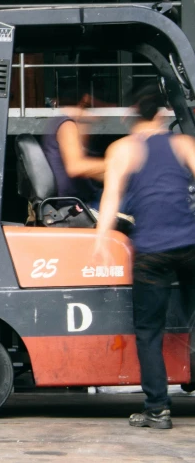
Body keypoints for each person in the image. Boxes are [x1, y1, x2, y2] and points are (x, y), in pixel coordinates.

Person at [94, 81, 195, 430]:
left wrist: (100, 240)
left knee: (149, 332)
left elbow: (109, 199)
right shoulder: (184, 143)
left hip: (151, 251)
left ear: (131, 114)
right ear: (164, 112)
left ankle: (157, 410)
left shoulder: (122, 149)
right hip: (191, 246)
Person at [42, 99, 105, 207]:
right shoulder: (66, 124)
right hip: (76, 205)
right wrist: (116, 163)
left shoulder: (62, 122)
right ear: (81, 105)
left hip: (85, 198)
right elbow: (76, 167)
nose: (102, 116)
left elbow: (90, 171)